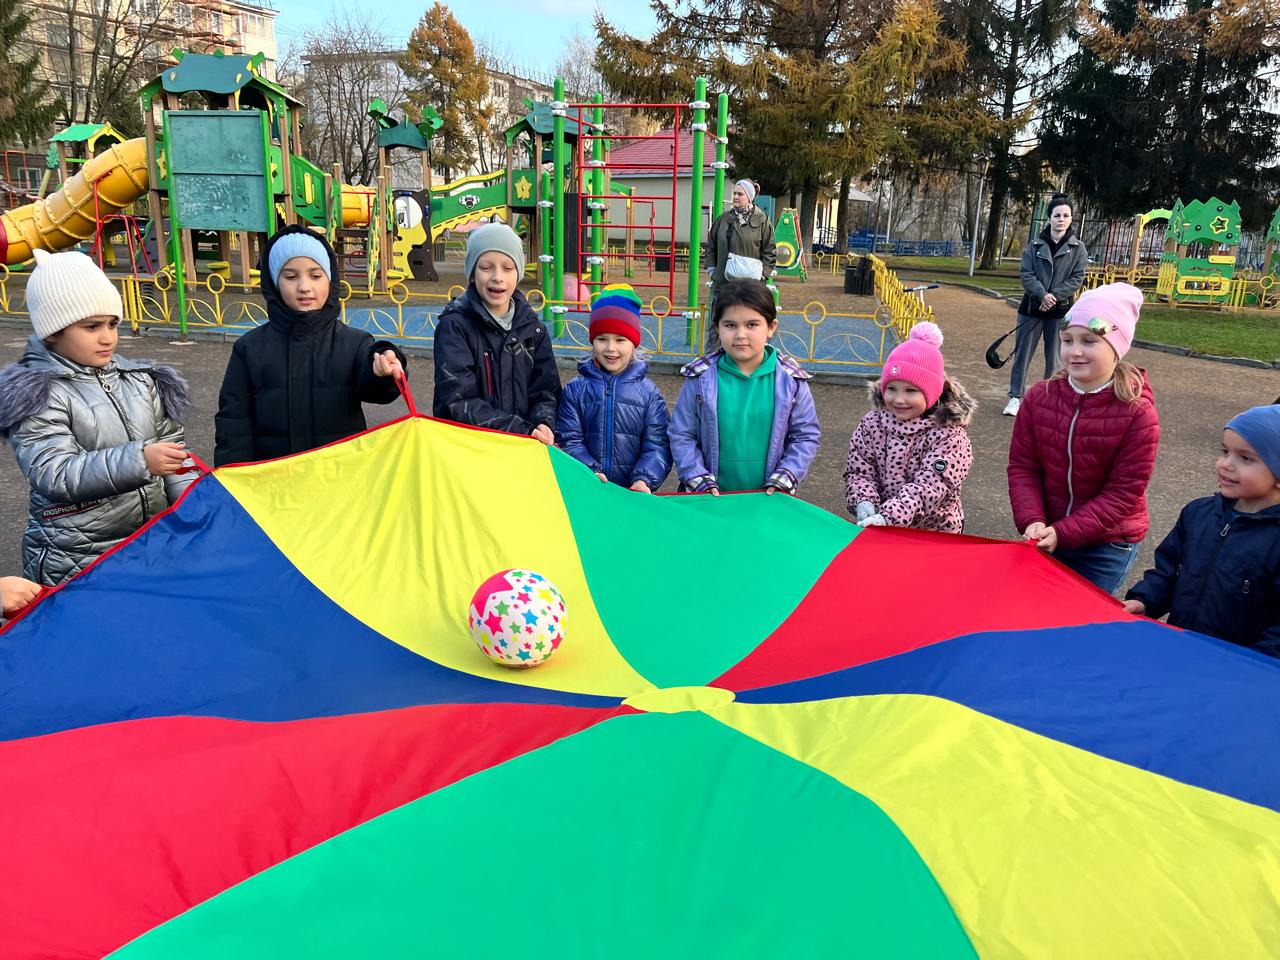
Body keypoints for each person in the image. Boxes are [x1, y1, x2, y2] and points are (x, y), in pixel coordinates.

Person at [0, 249, 194, 585]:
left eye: (112, 323)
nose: (108, 337)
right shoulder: (39, 393)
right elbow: (54, 473)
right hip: (76, 556)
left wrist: (194, 507)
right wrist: (141, 460)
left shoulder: (139, 379)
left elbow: (173, 451)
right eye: (92, 326)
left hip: (148, 542)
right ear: (53, 331)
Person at [1007, 282, 1159, 594]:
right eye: (1067, 340)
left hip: (1106, 544)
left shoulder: (1137, 414)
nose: (1074, 351)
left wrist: (1064, 532)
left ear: (1116, 348)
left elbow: (1122, 493)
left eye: (1089, 341)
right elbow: (1024, 467)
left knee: (1077, 626)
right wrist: (1032, 519)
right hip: (1047, 531)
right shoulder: (1039, 397)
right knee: (1034, 617)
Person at [215, 226, 406, 466]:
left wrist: (382, 372)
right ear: (274, 283)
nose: (304, 287)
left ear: (330, 279)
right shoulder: (249, 349)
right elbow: (234, 422)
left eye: (315, 276)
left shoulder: (354, 343)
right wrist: (232, 479)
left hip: (339, 478)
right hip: (272, 482)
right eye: (291, 277)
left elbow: (376, 389)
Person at [1122, 405, 1280, 657]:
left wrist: (1250, 667)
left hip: (1239, 675)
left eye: (1245, 458)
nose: (1226, 464)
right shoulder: (1198, 514)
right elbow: (1167, 571)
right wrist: (1144, 600)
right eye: (1225, 452)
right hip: (1180, 651)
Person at [670, 278, 819, 495]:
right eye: (730, 325)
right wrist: (696, 476)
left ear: (771, 327)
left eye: (752, 324)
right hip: (708, 498)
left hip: (768, 499)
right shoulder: (700, 378)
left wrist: (787, 475)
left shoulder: (791, 380)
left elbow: (805, 435)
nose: (740, 334)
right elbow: (681, 433)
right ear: (718, 328)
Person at [433, 222, 560, 442]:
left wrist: (543, 422)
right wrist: (522, 431)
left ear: (518, 273)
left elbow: (546, 391)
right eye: (486, 267)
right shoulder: (456, 327)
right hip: (471, 449)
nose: (497, 276)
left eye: (507, 268)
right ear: (472, 274)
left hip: (523, 449)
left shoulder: (533, 328)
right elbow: (456, 401)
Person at [845, 322, 975, 532]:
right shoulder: (872, 423)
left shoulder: (950, 435)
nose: (899, 399)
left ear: (931, 392)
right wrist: (864, 500)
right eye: (892, 388)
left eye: (911, 391)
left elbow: (932, 486)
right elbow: (860, 470)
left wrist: (890, 516)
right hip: (881, 528)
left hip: (935, 533)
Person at [556, 284, 671, 492]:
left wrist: (644, 478)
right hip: (588, 488)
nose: (611, 348)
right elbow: (569, 439)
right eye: (602, 339)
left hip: (632, 494)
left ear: (633, 343)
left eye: (620, 340)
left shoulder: (649, 393)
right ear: (592, 342)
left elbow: (657, 444)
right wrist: (589, 471)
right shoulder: (575, 391)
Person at [1004, 194, 1089, 416]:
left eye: (1066, 215)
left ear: (1071, 219)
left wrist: (1053, 296)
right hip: (1032, 308)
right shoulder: (1034, 246)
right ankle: (1015, 397)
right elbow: (1026, 274)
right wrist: (1042, 295)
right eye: (1057, 215)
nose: (1061, 219)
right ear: (1049, 218)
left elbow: (1077, 278)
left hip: (1059, 312)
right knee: (1023, 353)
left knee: (1055, 357)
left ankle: (1050, 399)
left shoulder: (1078, 248)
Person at [705, 179, 776, 351]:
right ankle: (712, 365)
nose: (735, 197)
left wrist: (763, 275)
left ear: (749, 197)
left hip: (751, 287)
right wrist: (712, 269)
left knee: (749, 326)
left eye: (740, 194)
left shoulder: (762, 220)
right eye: (734, 193)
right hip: (723, 284)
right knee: (718, 327)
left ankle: (750, 363)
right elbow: (711, 246)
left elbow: (770, 250)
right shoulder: (723, 219)